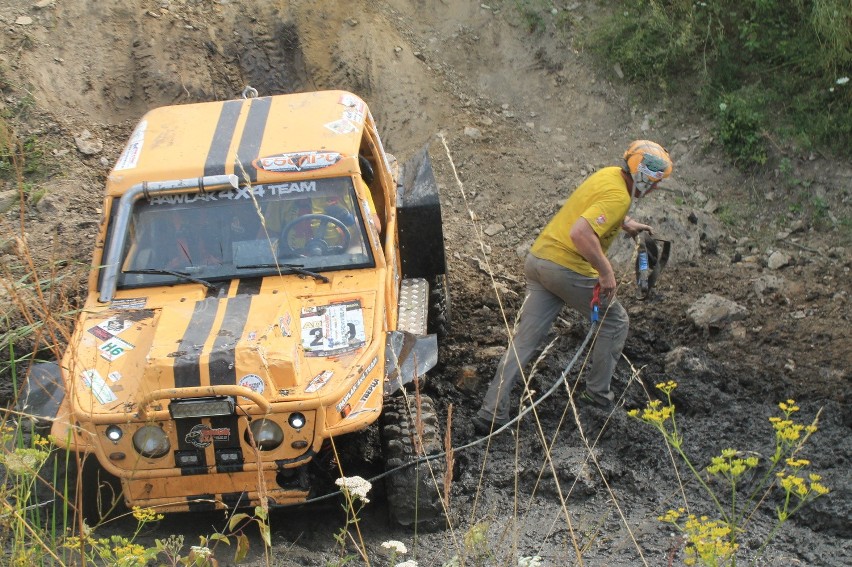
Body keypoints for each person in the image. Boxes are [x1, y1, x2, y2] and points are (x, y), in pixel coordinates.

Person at [472, 140, 673, 435]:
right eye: (655, 183)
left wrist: (624, 223)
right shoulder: (619, 196)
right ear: (643, 177)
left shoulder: (609, 175)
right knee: (615, 322)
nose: (655, 189)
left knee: (524, 343)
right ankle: (597, 396)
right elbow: (581, 233)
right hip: (566, 269)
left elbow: (590, 208)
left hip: (539, 261)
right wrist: (605, 272)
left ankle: (491, 412)